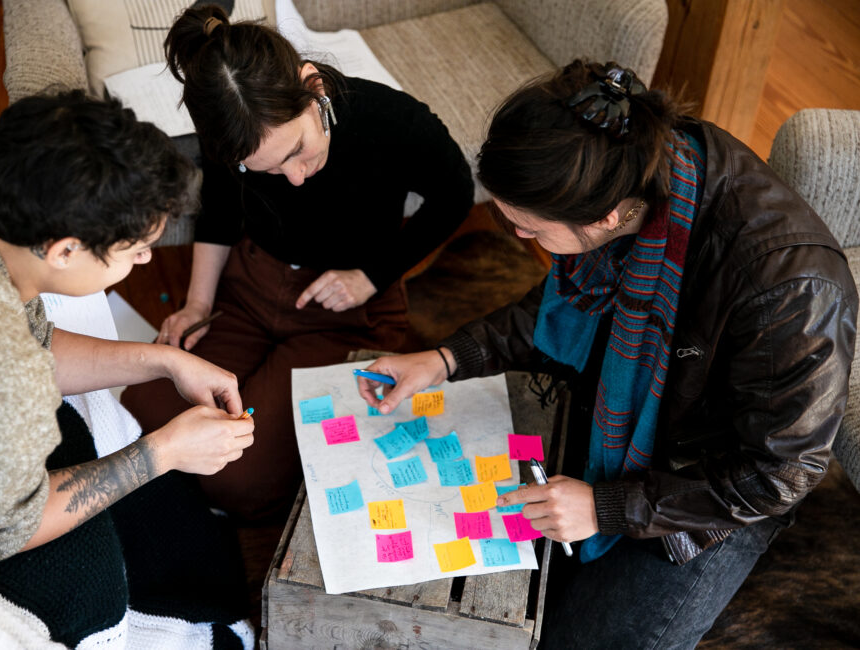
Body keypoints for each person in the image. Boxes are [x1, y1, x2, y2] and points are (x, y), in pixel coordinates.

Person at [355, 60, 858, 648]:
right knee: (484, 567)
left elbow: (777, 476)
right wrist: (445, 358)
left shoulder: (792, 292)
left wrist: (609, 506)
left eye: (531, 231)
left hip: (708, 489)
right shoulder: (630, 162)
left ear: (607, 218)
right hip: (627, 412)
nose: (519, 240)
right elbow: (563, 297)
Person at [0, 90, 256, 648]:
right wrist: (161, 453)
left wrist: (164, 361)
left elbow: (33, 342)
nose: (147, 260)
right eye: (136, 249)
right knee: (93, 592)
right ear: (63, 251)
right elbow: (2, 533)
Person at [120, 4, 474, 523]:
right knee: (139, 415)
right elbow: (219, 210)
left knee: (238, 480)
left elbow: (456, 195)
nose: (296, 178)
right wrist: (198, 303)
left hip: (346, 307)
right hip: (249, 287)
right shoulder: (232, 136)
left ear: (314, 90)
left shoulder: (392, 120)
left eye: (300, 150)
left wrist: (371, 276)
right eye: (268, 167)